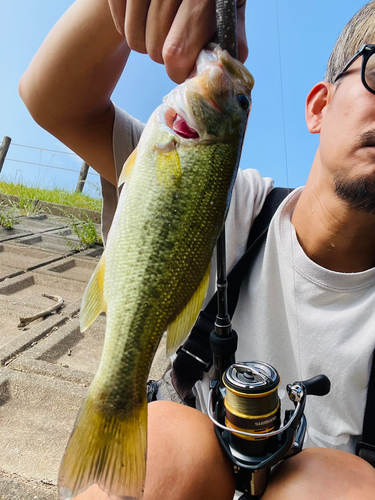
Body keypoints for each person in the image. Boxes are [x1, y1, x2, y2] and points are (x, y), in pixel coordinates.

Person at [19, 0, 375, 498]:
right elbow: (51, 100)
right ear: (319, 106)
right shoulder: (235, 210)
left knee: (332, 485)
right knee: (167, 447)